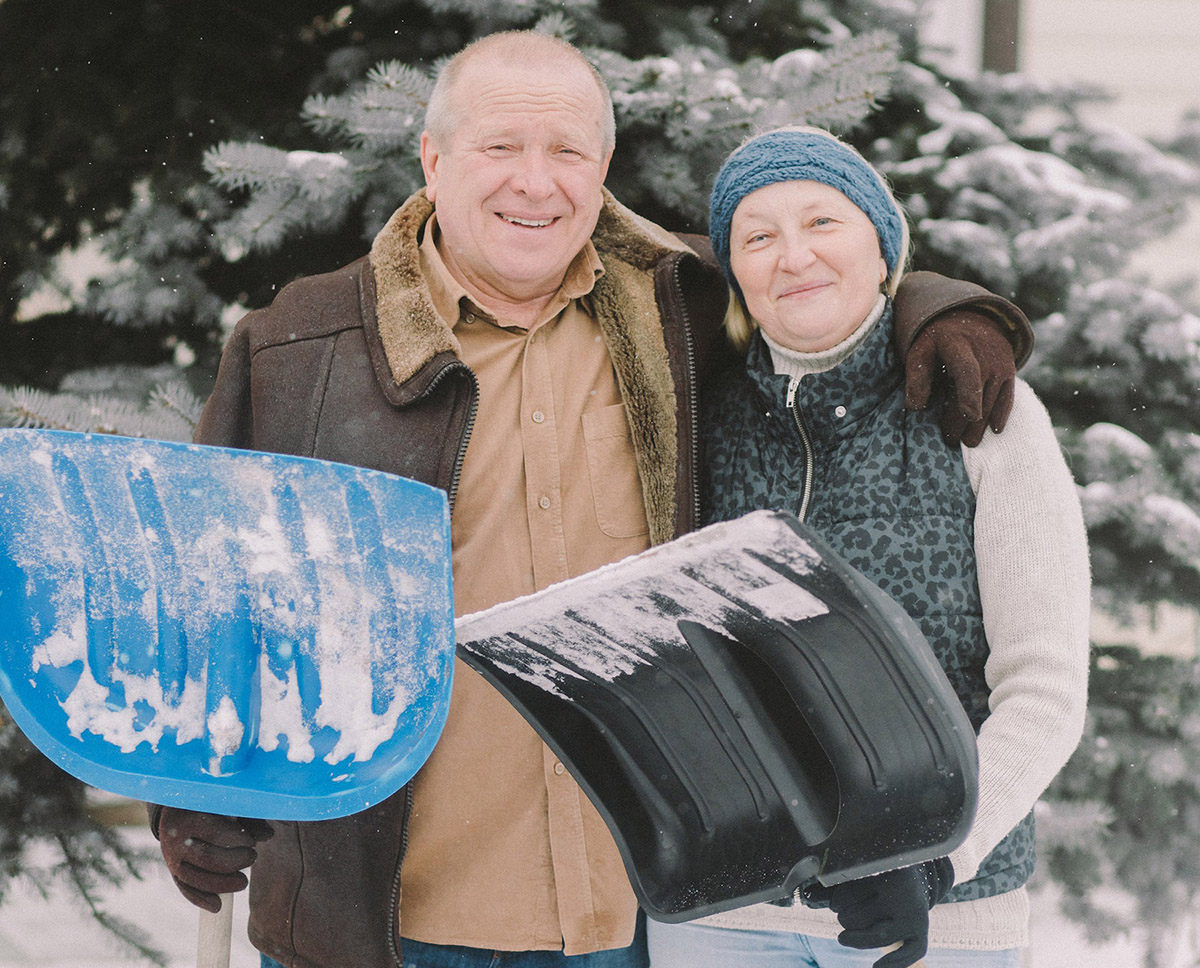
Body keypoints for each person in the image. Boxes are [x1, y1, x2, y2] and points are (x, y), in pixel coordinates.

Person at [150, 33, 1035, 968]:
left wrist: (945, 311)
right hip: (379, 922)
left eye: (567, 152)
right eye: (500, 148)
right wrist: (187, 793)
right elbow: (214, 595)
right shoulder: (301, 350)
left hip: (638, 921)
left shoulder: (679, 307)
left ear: (603, 168)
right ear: (433, 159)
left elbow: (816, 277)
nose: (536, 184)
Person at [643, 127, 1091, 968]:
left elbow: (1046, 685)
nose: (794, 256)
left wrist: (935, 859)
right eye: (758, 236)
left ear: (883, 249)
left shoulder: (980, 411)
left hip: (936, 922)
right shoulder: (700, 411)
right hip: (723, 918)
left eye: (824, 222)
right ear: (732, 272)